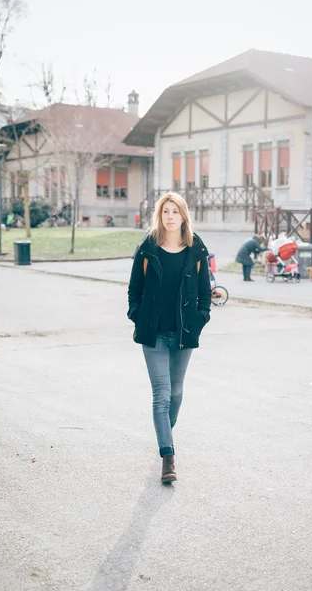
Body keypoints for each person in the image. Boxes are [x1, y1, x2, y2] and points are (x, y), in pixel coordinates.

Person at [127, 191, 211, 484]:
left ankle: (166, 432)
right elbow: (134, 288)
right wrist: (137, 314)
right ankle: (168, 455)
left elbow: (204, 292)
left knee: (176, 392)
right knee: (161, 395)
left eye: (175, 211)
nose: (170, 216)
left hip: (184, 332)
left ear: (183, 216)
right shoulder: (148, 247)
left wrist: (201, 318)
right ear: (160, 217)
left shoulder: (196, 249)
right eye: (166, 212)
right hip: (154, 333)